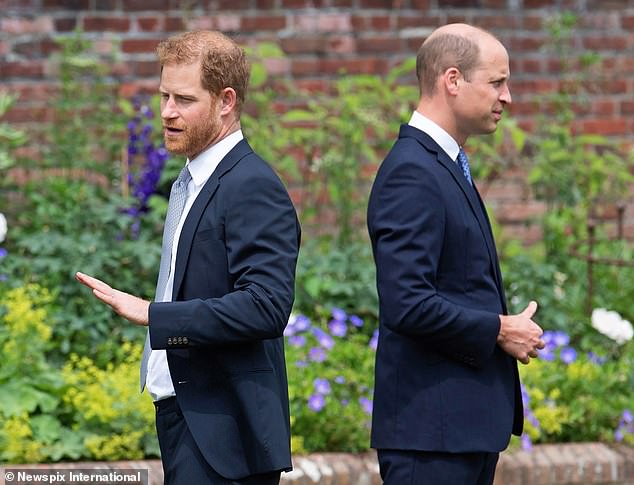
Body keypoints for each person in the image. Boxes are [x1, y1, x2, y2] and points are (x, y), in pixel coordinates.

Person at [76, 30, 300, 485]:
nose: (167, 112)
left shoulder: (251, 185)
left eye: (184, 99)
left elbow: (266, 306)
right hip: (189, 420)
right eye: (163, 96)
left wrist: (155, 315)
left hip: (226, 437)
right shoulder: (193, 178)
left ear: (226, 101)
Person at [366, 23, 545, 484]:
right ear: (452, 80)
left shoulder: (441, 165)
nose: (507, 97)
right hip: (430, 440)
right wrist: (499, 329)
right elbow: (407, 303)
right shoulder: (412, 172)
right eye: (497, 82)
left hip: (457, 433)